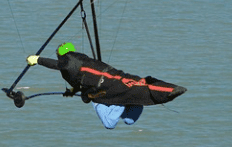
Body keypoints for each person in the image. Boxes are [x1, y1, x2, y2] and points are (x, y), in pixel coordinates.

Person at [26, 42, 186, 129]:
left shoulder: (69, 60)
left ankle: (124, 104)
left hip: (105, 90)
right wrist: (73, 90)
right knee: (129, 121)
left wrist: (38, 60)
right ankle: (131, 102)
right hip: (120, 82)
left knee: (109, 123)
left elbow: (61, 65)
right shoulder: (83, 60)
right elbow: (80, 76)